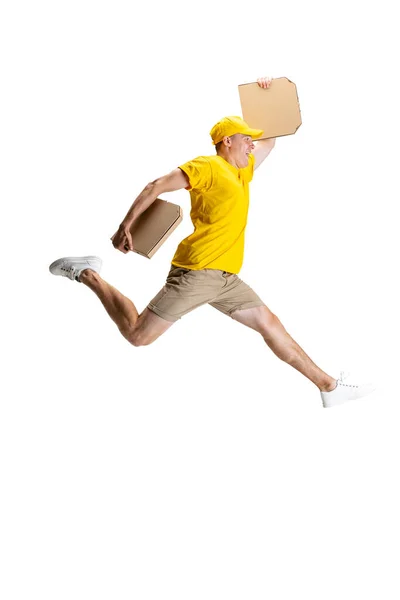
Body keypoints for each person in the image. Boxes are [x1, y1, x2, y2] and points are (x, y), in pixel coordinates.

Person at [49, 76, 374, 408]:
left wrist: (267, 96)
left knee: (270, 326)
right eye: (247, 140)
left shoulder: (241, 172)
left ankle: (330, 388)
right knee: (137, 335)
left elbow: (272, 141)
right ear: (228, 140)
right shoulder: (207, 166)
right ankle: (87, 273)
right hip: (198, 272)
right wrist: (125, 226)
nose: (252, 145)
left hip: (225, 278)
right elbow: (156, 186)